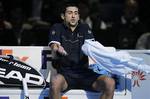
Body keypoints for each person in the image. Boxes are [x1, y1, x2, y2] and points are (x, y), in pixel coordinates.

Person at [48, 2, 115, 99]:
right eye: (70, 13)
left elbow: (91, 47)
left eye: (76, 13)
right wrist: (58, 48)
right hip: (66, 74)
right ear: (63, 16)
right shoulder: (57, 27)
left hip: (87, 74)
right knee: (55, 82)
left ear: (79, 16)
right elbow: (54, 45)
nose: (73, 16)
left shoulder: (85, 28)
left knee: (110, 82)